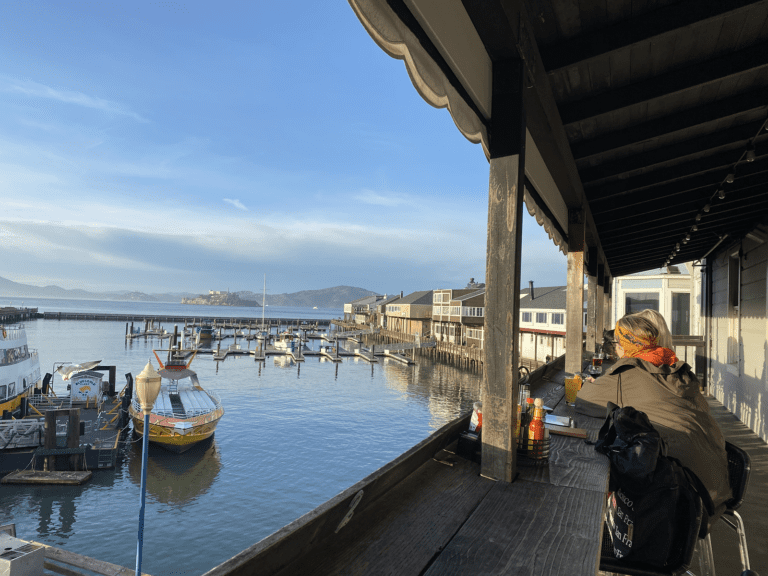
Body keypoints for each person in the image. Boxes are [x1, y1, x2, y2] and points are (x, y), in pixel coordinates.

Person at [577, 312, 731, 528]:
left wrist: (612, 375)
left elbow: (584, 400)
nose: (614, 347)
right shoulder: (675, 368)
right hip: (715, 487)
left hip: (680, 501)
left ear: (623, 345)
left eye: (616, 342)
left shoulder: (629, 373)